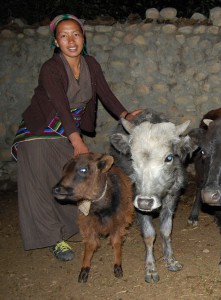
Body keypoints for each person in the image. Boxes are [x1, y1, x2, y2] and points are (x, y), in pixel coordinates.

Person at [11, 14, 142, 261]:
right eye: (64, 36)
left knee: (74, 182)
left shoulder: (90, 64)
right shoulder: (50, 68)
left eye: (76, 34)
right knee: (39, 185)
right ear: (56, 42)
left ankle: (71, 228)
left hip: (63, 132)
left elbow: (105, 92)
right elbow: (60, 105)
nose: (71, 40)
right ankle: (53, 240)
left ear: (83, 37)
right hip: (38, 133)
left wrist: (125, 115)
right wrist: (77, 140)